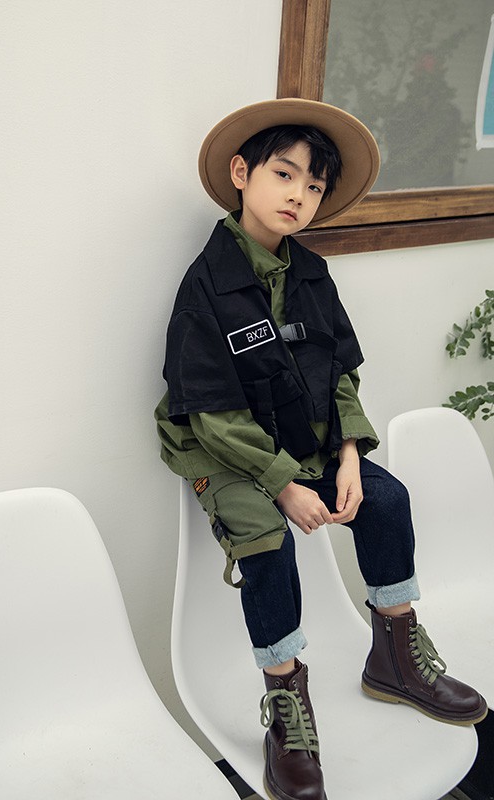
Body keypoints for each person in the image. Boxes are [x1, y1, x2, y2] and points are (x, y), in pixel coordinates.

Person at [154, 99, 487, 800]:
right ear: (241, 174)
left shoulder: (310, 271)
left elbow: (339, 374)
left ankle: (395, 656)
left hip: (304, 434)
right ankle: (285, 701)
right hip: (225, 449)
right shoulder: (205, 286)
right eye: (284, 174)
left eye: (313, 186)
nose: (298, 196)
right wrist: (283, 483)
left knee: (385, 498)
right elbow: (211, 414)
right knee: (266, 541)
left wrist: (348, 454)